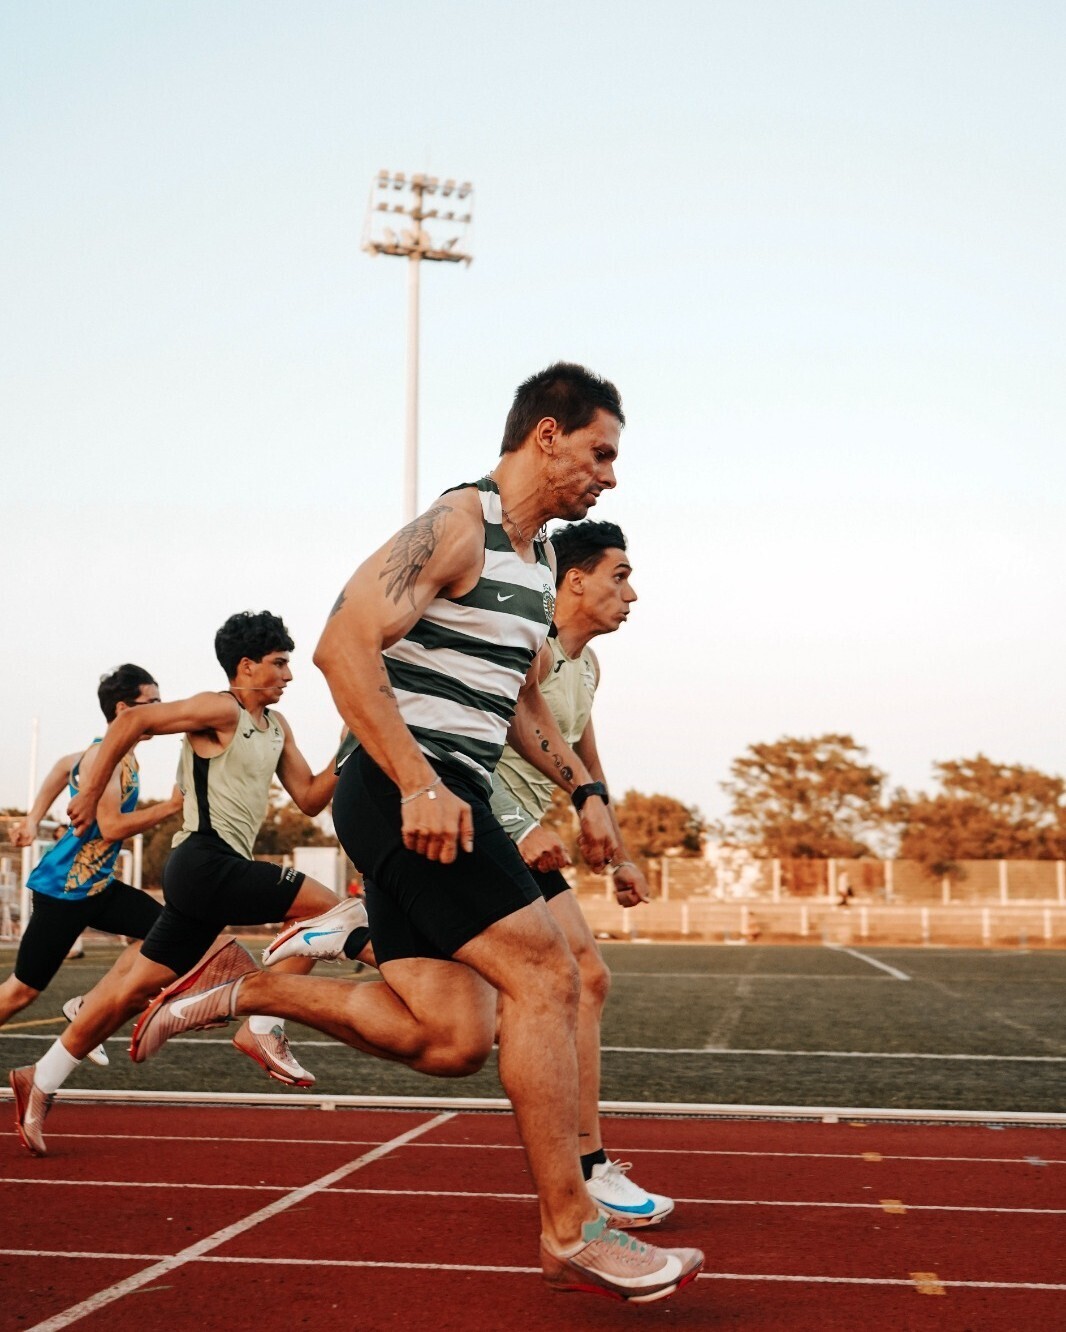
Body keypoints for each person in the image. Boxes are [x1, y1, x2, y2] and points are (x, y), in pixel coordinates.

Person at [121, 364, 703, 1304]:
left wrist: (587, 790)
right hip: (409, 790)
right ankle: (571, 1227)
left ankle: (245, 986)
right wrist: (420, 779)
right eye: (601, 453)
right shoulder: (458, 524)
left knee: (451, 1036)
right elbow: (342, 644)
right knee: (552, 974)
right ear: (546, 436)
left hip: (445, 788)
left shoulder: (532, 562)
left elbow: (515, 702)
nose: (611, 475)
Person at [10, 611, 367, 1152]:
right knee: (332, 912)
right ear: (246, 666)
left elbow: (312, 797)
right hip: (203, 861)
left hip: (211, 878)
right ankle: (262, 1023)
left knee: (128, 993)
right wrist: (90, 790)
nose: (289, 675)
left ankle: (42, 1075)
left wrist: (351, 744)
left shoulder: (276, 727)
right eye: (279, 664)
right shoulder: (219, 708)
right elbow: (132, 724)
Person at [487, 518, 672, 1227]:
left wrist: (619, 854)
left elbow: (587, 770)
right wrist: (521, 825)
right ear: (573, 580)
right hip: (487, 832)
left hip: (520, 843)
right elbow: (469, 745)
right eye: (620, 576)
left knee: (452, 1027)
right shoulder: (523, 647)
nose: (632, 594)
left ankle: (347, 937)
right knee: (584, 976)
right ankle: (589, 1168)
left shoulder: (588, 667)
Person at [1, 666, 182, 1064]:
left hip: (97, 888)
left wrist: (32, 819)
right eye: (152, 702)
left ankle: (88, 1007)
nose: (161, 710)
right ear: (123, 708)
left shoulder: (115, 753)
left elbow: (59, 768)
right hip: (62, 891)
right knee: (21, 992)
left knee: (166, 935)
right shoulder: (107, 757)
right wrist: (170, 808)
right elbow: (113, 827)